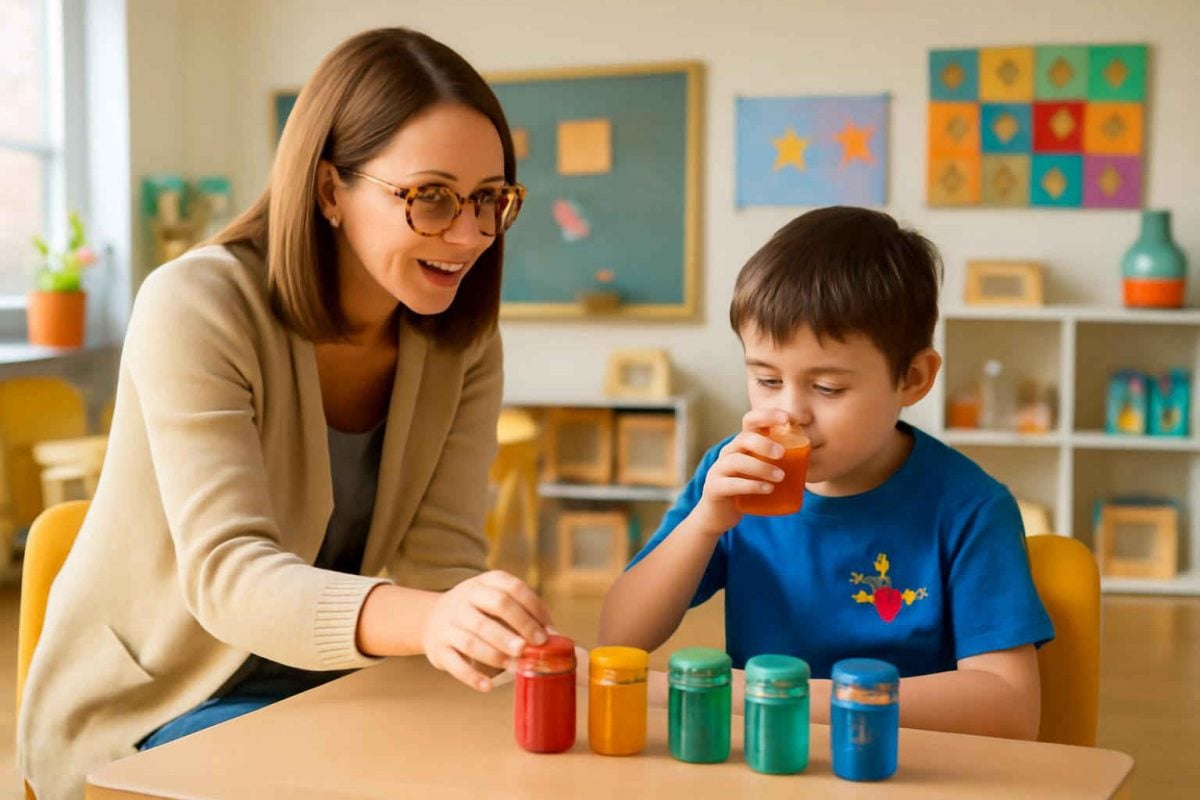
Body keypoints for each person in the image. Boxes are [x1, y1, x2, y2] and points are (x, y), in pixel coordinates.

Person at [18, 28, 550, 799]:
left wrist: (479, 627)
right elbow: (231, 576)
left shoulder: (461, 340)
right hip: (151, 705)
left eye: (488, 200)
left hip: (329, 685)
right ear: (331, 189)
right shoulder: (197, 304)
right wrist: (432, 621)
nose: (469, 234)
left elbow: (442, 562)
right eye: (430, 197)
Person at [598, 207, 1053, 740]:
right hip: (767, 763)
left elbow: (1010, 707)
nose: (790, 412)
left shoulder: (970, 509)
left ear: (912, 378)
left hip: (905, 769)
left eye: (828, 388)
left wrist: (771, 695)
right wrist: (703, 524)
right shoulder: (732, 478)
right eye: (767, 380)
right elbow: (619, 635)